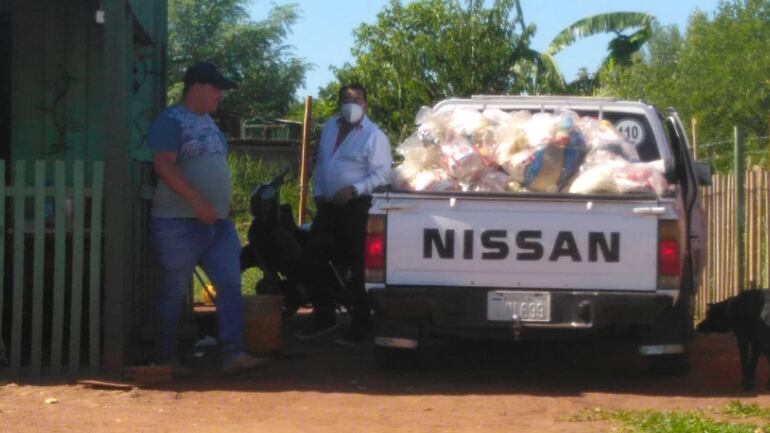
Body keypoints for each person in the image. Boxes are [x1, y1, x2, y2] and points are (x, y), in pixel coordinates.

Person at [147, 62, 269, 375]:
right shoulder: (170, 120)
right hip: (178, 222)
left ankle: (234, 353)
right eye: (216, 89)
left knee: (230, 284)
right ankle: (165, 359)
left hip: (218, 224)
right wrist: (198, 200)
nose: (220, 96)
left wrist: (219, 204)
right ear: (197, 87)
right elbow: (163, 165)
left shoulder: (210, 124)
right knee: (173, 292)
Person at [296, 83, 392, 345]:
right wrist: (318, 190)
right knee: (313, 256)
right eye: (346, 99)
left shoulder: (374, 136)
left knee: (357, 266)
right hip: (328, 208)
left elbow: (383, 174)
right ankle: (324, 316)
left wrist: (354, 189)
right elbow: (322, 163)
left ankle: (361, 325)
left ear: (365, 105)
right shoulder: (329, 127)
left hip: (357, 207)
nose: (351, 104)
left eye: (357, 100)